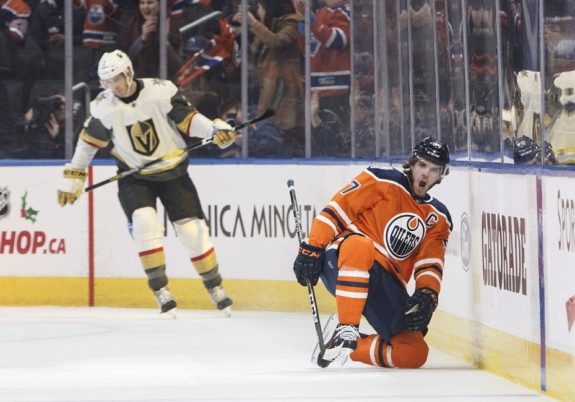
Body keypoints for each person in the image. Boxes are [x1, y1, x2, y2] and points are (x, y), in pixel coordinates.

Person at [56, 49, 236, 316]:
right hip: (134, 177)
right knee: (145, 223)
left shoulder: (160, 91)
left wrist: (213, 130)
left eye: (116, 78)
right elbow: (87, 144)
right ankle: (160, 289)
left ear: (128, 72)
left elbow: (189, 119)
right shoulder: (104, 106)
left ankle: (214, 286)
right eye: (107, 82)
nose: (113, 86)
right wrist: (74, 175)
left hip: (173, 172)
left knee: (192, 232)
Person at [292, 137, 453, 368]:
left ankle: (348, 343)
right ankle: (348, 325)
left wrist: (428, 295)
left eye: (434, 169)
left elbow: (430, 263)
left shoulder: (438, 218)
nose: (426, 174)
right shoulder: (380, 179)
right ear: (412, 163)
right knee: (361, 245)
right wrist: (313, 247)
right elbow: (337, 211)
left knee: (413, 353)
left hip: (385, 285)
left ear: (441, 175)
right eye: (422, 166)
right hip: (343, 262)